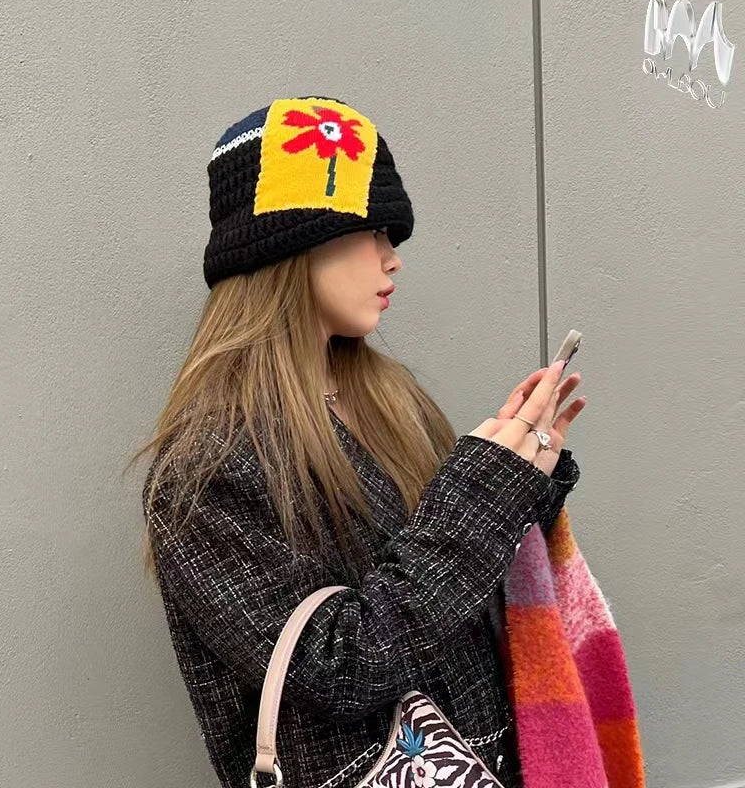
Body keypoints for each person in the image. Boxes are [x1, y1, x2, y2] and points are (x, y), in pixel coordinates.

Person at [130, 96, 585, 788]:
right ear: (291, 244)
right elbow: (339, 668)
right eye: (371, 231)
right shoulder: (205, 469)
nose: (392, 259)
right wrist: (479, 496)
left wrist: (523, 479)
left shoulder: (388, 400)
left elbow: (452, 600)